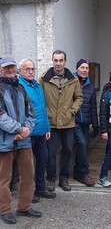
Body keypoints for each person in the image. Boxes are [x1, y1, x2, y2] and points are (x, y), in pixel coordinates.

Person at [0, 55, 42, 225]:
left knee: (28, 175)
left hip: (23, 140)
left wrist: (26, 130)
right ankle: (4, 209)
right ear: (1, 69)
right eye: (7, 67)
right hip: (5, 141)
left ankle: (24, 207)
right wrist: (18, 129)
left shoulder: (21, 89)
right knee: (4, 178)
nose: (10, 70)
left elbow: (31, 113)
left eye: (12, 67)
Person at [39, 50, 83, 192]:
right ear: (52, 61)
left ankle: (64, 178)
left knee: (68, 150)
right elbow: (39, 99)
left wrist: (72, 111)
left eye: (61, 60)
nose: (58, 63)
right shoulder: (44, 79)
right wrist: (45, 114)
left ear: (65, 61)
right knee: (51, 152)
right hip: (50, 122)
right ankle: (51, 178)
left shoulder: (73, 80)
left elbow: (79, 98)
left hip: (68, 123)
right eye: (55, 60)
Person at [18, 59, 56, 201]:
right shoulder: (20, 86)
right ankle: (29, 192)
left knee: (42, 160)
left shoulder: (38, 86)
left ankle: (40, 188)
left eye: (32, 69)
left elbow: (42, 109)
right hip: (28, 133)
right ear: (21, 71)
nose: (30, 71)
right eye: (27, 69)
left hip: (40, 132)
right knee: (28, 165)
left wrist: (47, 128)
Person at [73, 59, 99, 187]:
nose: (84, 70)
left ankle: (77, 172)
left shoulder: (90, 87)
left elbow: (93, 107)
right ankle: (84, 173)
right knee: (82, 144)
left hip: (85, 123)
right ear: (77, 69)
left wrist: (95, 124)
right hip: (74, 122)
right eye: (82, 68)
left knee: (83, 147)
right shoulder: (70, 83)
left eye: (87, 68)